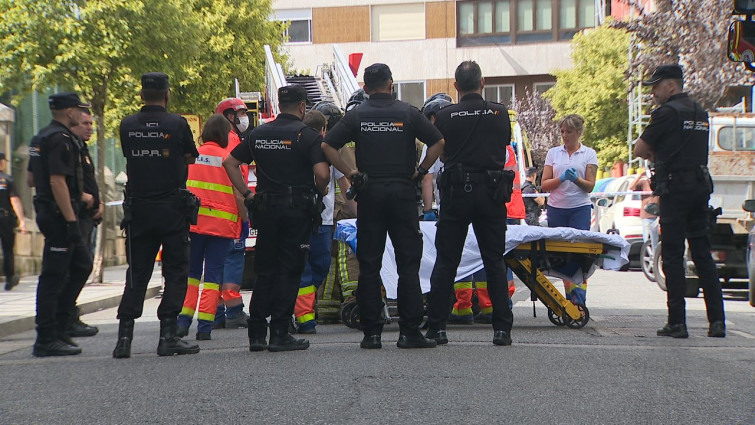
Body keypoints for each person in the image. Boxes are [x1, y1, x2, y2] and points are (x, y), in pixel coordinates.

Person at [323, 63, 444, 349]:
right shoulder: (408, 113)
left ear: (365, 88)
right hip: (402, 194)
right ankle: (409, 332)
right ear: (391, 84)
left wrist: (350, 172)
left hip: (370, 194)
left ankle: (372, 334)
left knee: (369, 265)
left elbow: (328, 146)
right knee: (408, 265)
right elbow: (438, 141)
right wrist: (421, 169)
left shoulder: (357, 115)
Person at [224, 85, 329, 352]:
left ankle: (257, 333)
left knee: (265, 269)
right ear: (303, 107)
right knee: (290, 270)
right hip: (296, 210)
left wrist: (248, 193)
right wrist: (319, 189)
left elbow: (230, 163)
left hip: (266, 209)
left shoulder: (258, 134)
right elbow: (323, 174)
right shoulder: (307, 135)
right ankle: (280, 332)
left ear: (280, 104)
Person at [425, 60, 514, 346]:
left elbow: (441, 153)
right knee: (494, 261)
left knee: (447, 261)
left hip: (456, 194)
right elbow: (502, 146)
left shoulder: (446, 115)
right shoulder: (499, 113)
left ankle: (437, 327)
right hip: (491, 193)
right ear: (483, 82)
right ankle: (502, 329)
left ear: (456, 86)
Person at [633, 64, 725, 338]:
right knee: (702, 254)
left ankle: (677, 322)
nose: (653, 93)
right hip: (700, 186)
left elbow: (639, 148)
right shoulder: (700, 112)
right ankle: (717, 322)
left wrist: (656, 156)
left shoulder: (666, 113)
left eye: (656, 87)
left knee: (672, 256)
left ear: (671, 86)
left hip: (675, 188)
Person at [113, 72, 201, 359]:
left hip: (139, 209)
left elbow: (130, 154)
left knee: (137, 272)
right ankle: (168, 337)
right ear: (167, 94)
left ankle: (123, 340)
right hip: (171, 210)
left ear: (141, 95)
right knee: (176, 271)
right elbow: (190, 156)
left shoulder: (127, 125)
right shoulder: (177, 123)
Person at [28, 92, 94, 357]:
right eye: (79, 110)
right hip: (59, 215)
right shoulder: (60, 139)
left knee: (81, 264)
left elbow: (32, 179)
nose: (82, 115)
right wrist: (69, 220)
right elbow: (57, 181)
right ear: (69, 112)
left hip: (49, 210)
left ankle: (62, 323)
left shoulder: (41, 136)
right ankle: (46, 337)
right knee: (54, 276)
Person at [176, 114, 238, 340]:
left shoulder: (192, 157)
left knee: (191, 275)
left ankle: (183, 322)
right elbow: (239, 194)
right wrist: (243, 222)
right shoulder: (229, 159)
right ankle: (204, 328)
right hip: (221, 228)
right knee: (213, 277)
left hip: (193, 224)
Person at [294, 108, 355, 334]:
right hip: (305, 217)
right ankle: (304, 317)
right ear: (323, 129)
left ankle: (301, 308)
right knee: (305, 267)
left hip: (324, 219)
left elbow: (345, 186)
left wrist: (358, 215)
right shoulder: (300, 148)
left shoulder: (330, 151)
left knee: (320, 265)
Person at [541, 114, 597, 307]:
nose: (565, 136)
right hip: (557, 209)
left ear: (579, 133)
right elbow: (545, 184)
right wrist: (562, 178)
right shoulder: (554, 153)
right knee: (561, 255)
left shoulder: (589, 154)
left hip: (579, 209)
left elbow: (590, 186)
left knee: (579, 254)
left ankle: (579, 301)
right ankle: (568, 300)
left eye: (569, 132)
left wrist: (576, 180)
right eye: (562, 131)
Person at [212, 97, 251, 330]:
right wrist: (245, 215)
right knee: (233, 260)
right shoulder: (233, 141)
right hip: (231, 214)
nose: (245, 117)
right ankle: (234, 311)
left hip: (210, 216)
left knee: (214, 263)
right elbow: (236, 183)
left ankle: (214, 312)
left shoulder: (207, 146)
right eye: (242, 113)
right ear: (229, 116)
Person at [66, 109, 103, 337]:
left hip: (87, 216)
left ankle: (70, 315)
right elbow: (61, 181)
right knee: (79, 265)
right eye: (84, 123)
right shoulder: (68, 146)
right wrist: (83, 197)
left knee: (81, 265)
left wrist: (97, 202)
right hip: (75, 216)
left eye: (91, 123)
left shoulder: (82, 147)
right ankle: (66, 315)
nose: (89, 127)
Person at [0, 152, 26, 291]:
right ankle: (9, 279)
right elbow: (14, 200)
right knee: (7, 249)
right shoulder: (7, 179)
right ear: (2, 162)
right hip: (4, 218)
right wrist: (22, 220)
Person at [629, 169, 659, 249]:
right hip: (647, 216)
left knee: (656, 240)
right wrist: (640, 176)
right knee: (647, 241)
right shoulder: (643, 182)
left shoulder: (659, 182)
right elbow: (631, 187)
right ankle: (649, 254)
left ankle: (656, 257)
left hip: (658, 216)